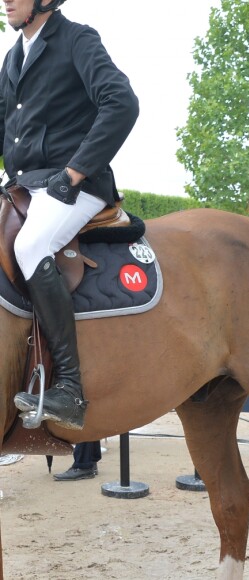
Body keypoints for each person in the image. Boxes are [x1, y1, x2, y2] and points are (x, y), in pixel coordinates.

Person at [1, 0, 139, 429]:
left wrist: (74, 172)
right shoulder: (13, 56)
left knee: (31, 244)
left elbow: (122, 103)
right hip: (26, 186)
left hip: (73, 185)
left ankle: (69, 389)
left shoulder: (77, 38)